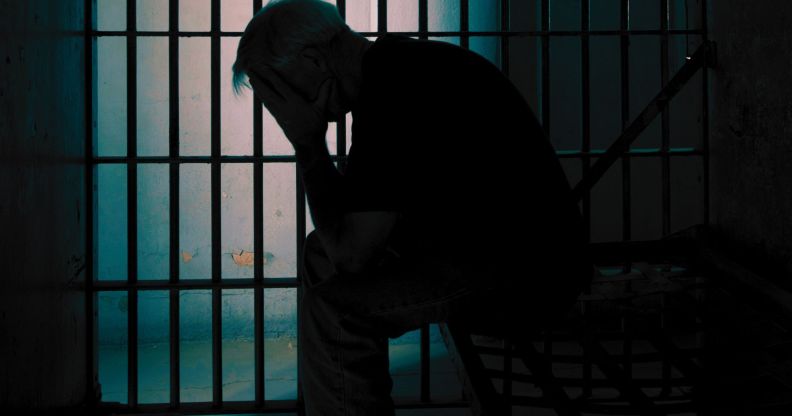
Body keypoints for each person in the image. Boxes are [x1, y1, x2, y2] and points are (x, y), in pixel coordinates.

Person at [232, 0, 593, 414]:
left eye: (278, 90)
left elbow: (351, 254)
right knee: (320, 254)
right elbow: (348, 231)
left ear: (313, 60)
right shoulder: (394, 70)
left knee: (338, 310)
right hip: (502, 249)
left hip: (527, 275)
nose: (280, 108)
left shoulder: (395, 91)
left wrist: (307, 143)